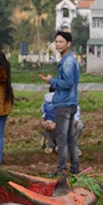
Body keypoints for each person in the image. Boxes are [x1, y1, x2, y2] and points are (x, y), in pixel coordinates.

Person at [43, 30, 81, 180]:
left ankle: (62, 171)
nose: (58, 44)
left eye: (61, 42)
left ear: (68, 44)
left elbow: (68, 83)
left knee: (62, 138)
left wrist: (52, 81)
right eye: (56, 42)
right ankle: (75, 169)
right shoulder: (69, 60)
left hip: (64, 104)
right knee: (70, 138)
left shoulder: (68, 62)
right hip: (71, 103)